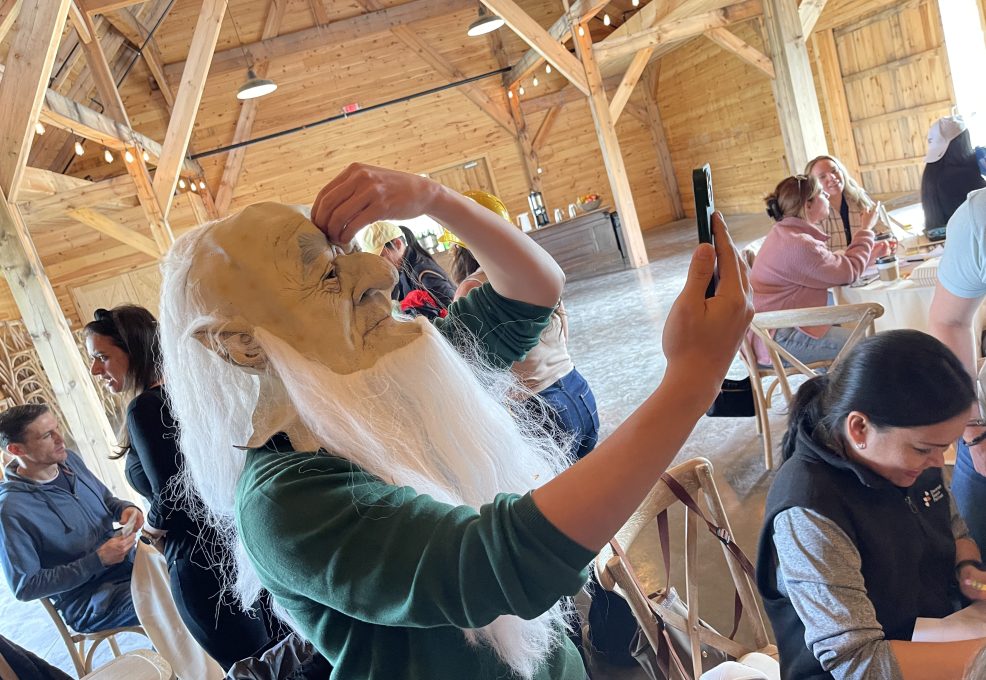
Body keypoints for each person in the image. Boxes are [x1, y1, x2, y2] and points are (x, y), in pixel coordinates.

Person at [155, 162, 753, 680]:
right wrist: (692, 381)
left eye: (343, 256)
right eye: (328, 276)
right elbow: (499, 565)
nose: (382, 274)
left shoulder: (388, 372)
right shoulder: (284, 500)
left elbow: (533, 291)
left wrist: (431, 197)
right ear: (240, 345)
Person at [757, 330, 986, 680]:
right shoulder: (809, 510)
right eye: (926, 449)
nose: (940, 462)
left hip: (933, 631)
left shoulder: (906, 458)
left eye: (946, 445)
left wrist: (966, 568)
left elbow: (954, 526)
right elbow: (857, 663)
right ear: (859, 428)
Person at [82, 306, 279, 670]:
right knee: (279, 659)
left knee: (252, 668)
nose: (96, 370)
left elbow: (172, 493)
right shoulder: (191, 396)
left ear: (134, 350)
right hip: (242, 547)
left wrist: (151, 531)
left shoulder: (144, 408)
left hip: (200, 563)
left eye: (102, 357)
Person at [0, 404, 142, 633]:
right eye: (47, 435)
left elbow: (108, 501)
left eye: (56, 428)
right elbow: (25, 586)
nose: (60, 438)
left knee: (189, 576)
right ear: (16, 450)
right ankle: (175, 667)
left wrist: (126, 509)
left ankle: (194, 664)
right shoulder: (11, 510)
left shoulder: (70, 462)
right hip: (89, 601)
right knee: (167, 601)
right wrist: (98, 560)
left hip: (130, 567)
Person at [750, 174, 884, 366]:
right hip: (778, 337)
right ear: (808, 205)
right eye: (821, 193)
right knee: (869, 348)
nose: (827, 196)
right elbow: (848, 273)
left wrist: (865, 254)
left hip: (776, 326)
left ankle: (831, 392)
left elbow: (827, 265)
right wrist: (866, 229)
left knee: (843, 358)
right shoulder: (799, 243)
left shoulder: (785, 233)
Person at [929, 188, 986, 556]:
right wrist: (975, 433)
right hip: (985, 430)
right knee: (973, 558)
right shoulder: (978, 217)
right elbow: (949, 321)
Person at [359, 220, 456, 318]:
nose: (380, 265)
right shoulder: (402, 270)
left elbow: (453, 310)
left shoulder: (423, 272)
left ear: (397, 244)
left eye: (382, 257)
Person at [921, 114, 986, 240]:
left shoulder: (932, 170)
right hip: (969, 239)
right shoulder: (961, 174)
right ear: (963, 141)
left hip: (945, 238)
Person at [805, 155, 887, 252]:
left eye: (834, 171)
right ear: (812, 185)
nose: (832, 177)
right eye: (822, 176)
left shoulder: (860, 199)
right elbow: (821, 257)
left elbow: (885, 234)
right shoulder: (813, 214)